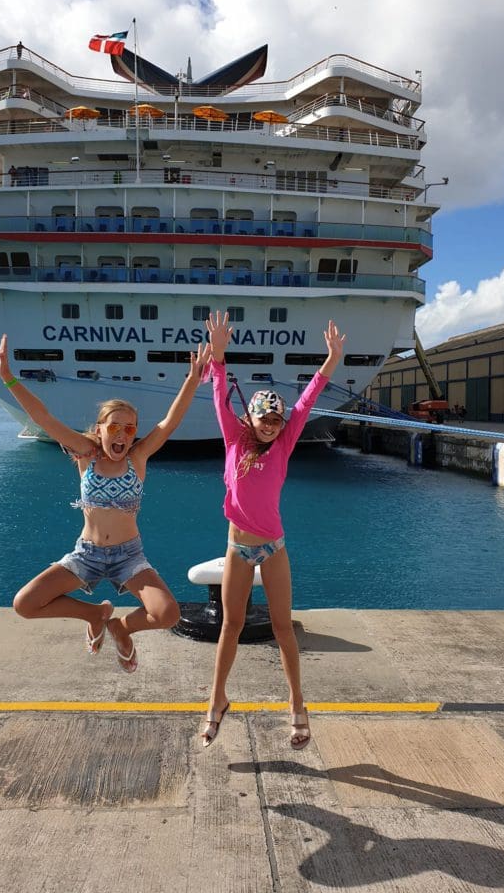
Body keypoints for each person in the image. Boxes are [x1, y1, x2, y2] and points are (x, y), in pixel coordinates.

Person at [0, 333, 211, 671]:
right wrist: (7, 376)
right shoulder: (86, 454)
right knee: (25, 604)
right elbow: (44, 418)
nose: (122, 435)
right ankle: (94, 614)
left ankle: (120, 627)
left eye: (129, 429)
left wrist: (193, 381)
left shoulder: (138, 457)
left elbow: (169, 422)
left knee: (168, 613)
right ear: (100, 429)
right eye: (114, 428)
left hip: (129, 556)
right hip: (88, 554)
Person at [201, 310, 345, 749]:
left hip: (274, 548)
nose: (269, 426)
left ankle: (297, 704)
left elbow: (305, 401)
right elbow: (219, 396)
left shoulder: (283, 443)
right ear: (252, 419)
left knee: (283, 627)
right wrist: (219, 357)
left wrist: (331, 362)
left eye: (275, 421)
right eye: (264, 419)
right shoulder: (232, 439)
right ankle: (215, 701)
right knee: (232, 626)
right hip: (236, 549)